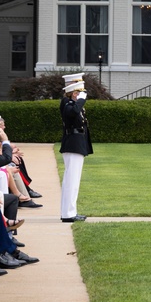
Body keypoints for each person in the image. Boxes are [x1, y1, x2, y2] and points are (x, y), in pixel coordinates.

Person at [60, 74, 92, 222]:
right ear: (74, 93)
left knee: (72, 181)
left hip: (76, 143)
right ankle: (68, 214)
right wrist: (81, 100)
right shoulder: (67, 104)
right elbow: (72, 113)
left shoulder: (71, 104)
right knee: (71, 181)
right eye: (79, 92)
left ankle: (69, 212)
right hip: (73, 144)